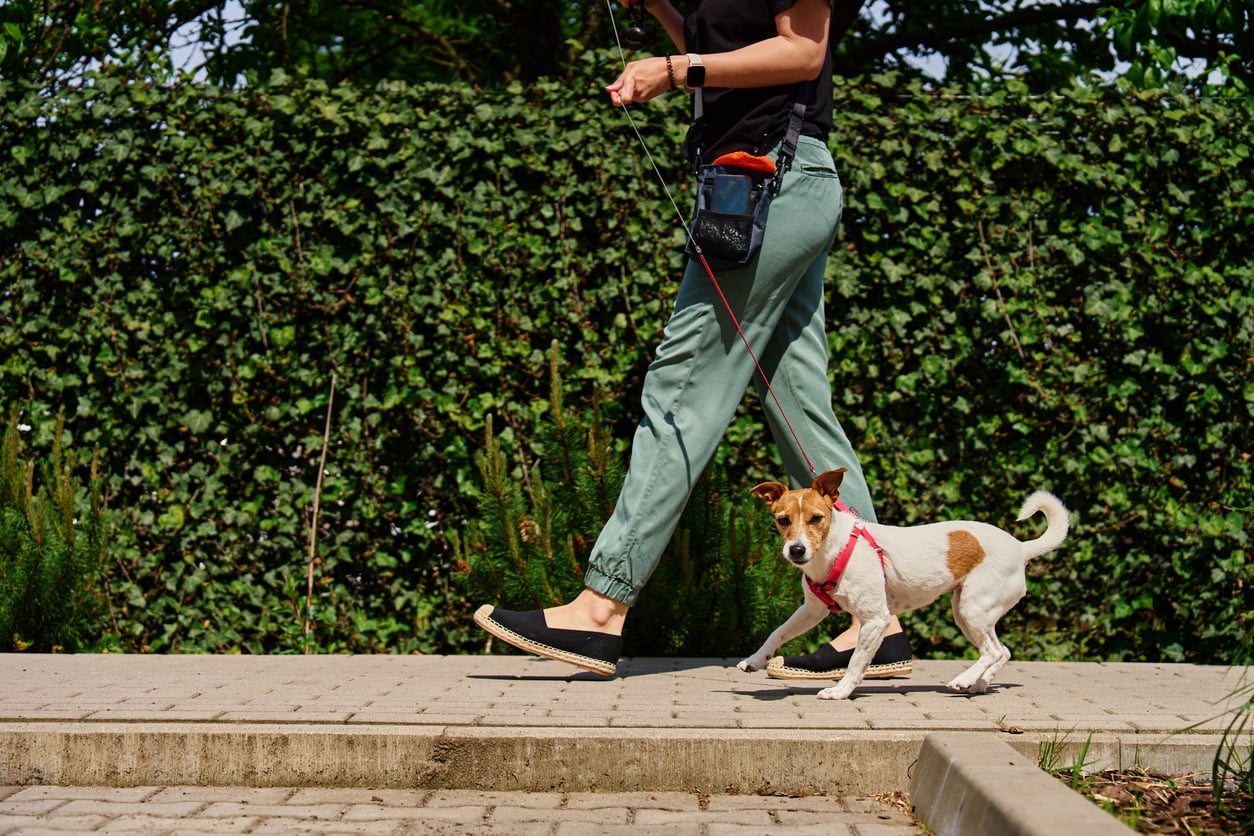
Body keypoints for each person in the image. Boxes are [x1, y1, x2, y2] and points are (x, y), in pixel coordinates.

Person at [474, 0, 911, 680]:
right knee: (797, 404)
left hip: (773, 181)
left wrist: (676, 70)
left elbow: (804, 51)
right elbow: (730, 51)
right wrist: (664, 12)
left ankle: (601, 607)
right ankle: (876, 622)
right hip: (768, 183)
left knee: (681, 388)